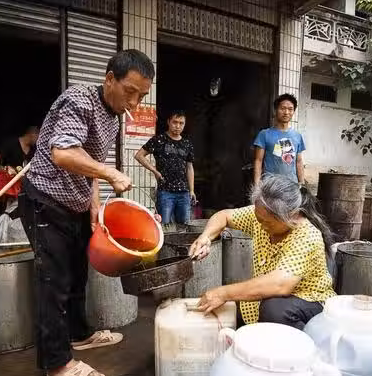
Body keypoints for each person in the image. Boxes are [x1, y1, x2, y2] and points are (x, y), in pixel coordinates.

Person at [19, 49, 158, 376]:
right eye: (130, 92)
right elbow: (63, 152)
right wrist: (111, 173)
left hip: (76, 205)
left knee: (78, 273)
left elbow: (90, 164)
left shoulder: (113, 116)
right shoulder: (78, 100)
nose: (134, 103)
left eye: (142, 96)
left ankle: (78, 334)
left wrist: (94, 205)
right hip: (45, 200)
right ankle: (57, 362)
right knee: (54, 281)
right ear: (110, 79)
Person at [188, 174, 335, 330]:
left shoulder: (307, 236)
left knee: (274, 310)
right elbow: (223, 216)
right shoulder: (263, 213)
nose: (262, 226)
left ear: (291, 215)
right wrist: (206, 237)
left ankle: (305, 341)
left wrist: (222, 293)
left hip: (309, 301)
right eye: (259, 219)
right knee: (236, 308)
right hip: (273, 298)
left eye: (269, 223)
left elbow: (280, 284)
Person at [134, 110, 195, 225]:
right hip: (165, 192)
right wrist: (154, 170)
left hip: (184, 193)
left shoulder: (187, 144)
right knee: (163, 225)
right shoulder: (159, 140)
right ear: (168, 122)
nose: (178, 126)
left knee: (184, 226)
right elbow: (139, 155)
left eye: (181, 123)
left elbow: (189, 167)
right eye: (175, 122)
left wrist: (191, 190)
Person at [253, 94, 306, 185]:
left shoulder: (297, 136)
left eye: (290, 109)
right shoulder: (264, 134)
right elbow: (258, 161)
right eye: (283, 108)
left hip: (291, 186)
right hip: (270, 186)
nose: (286, 112)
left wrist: (302, 184)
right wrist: (257, 185)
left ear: (293, 111)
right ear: (275, 110)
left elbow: (299, 161)